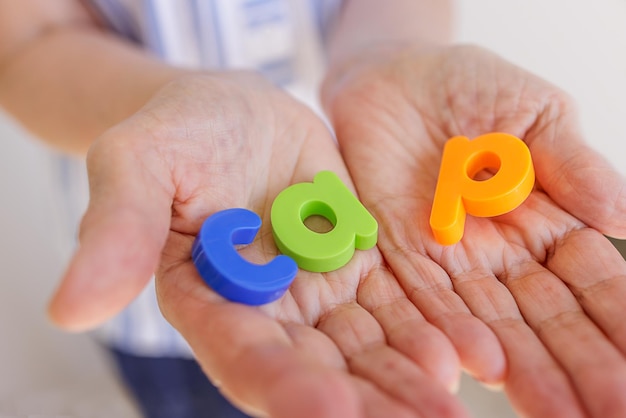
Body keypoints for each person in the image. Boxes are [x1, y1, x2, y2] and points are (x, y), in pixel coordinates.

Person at [1, 1, 626, 417]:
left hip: (377, 172)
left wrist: (386, 50)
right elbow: (27, 39)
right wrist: (153, 99)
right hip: (165, 295)